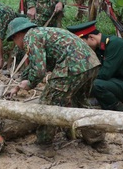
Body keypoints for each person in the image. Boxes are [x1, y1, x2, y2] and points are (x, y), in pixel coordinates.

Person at [6, 17, 102, 150]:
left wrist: (29, 84)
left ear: (18, 35)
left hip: (71, 66)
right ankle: (97, 141)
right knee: (80, 102)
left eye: (14, 40)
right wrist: (19, 83)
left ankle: (43, 145)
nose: (16, 44)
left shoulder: (30, 37)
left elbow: (39, 71)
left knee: (47, 105)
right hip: (91, 63)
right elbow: (38, 64)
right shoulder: (43, 33)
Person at [67, 21, 123, 111]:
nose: (84, 48)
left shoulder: (114, 44)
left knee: (96, 85)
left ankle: (119, 111)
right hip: (117, 83)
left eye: (84, 44)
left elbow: (104, 74)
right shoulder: (101, 48)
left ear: (91, 38)